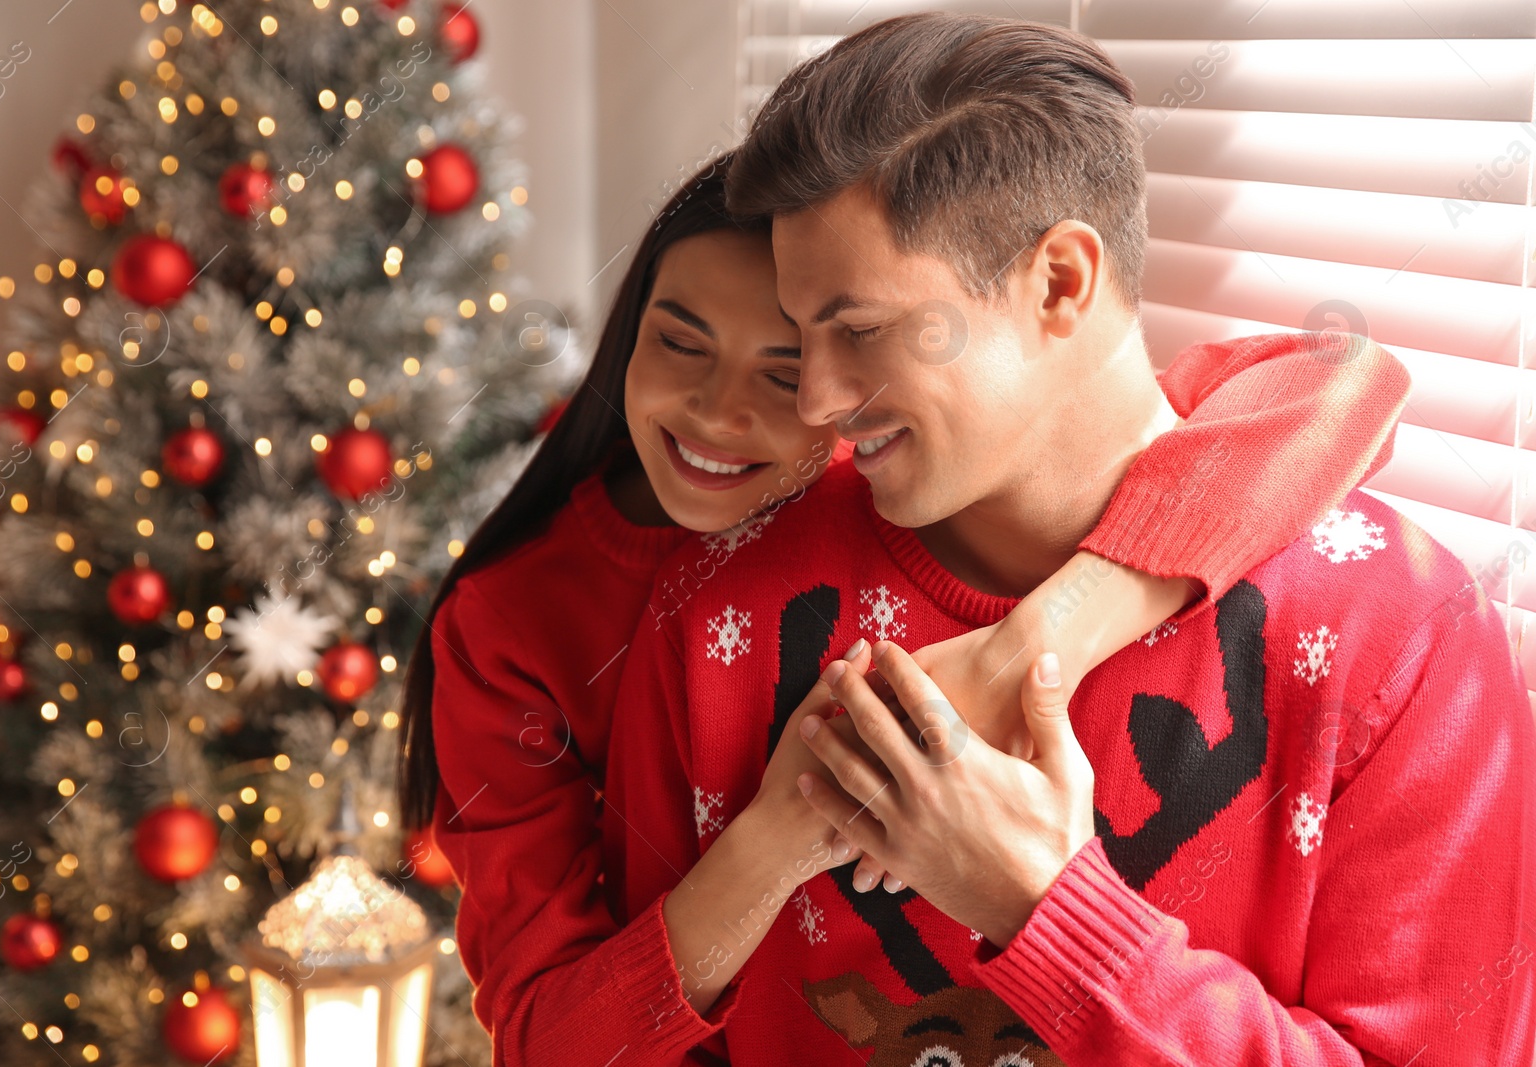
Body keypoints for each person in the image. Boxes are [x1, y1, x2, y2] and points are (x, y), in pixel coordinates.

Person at [604, 13, 1535, 1067]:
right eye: (800, 334)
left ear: (1058, 282)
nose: (816, 400)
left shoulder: (1399, 641)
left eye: (858, 331)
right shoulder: (724, 609)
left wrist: (1047, 909)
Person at [399, 153, 1409, 1065]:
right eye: (680, 343)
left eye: (786, 372)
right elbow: (547, 1040)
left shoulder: (880, 472)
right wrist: (780, 833)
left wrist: (1048, 631)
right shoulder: (513, 623)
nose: (717, 412)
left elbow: (1335, 379)